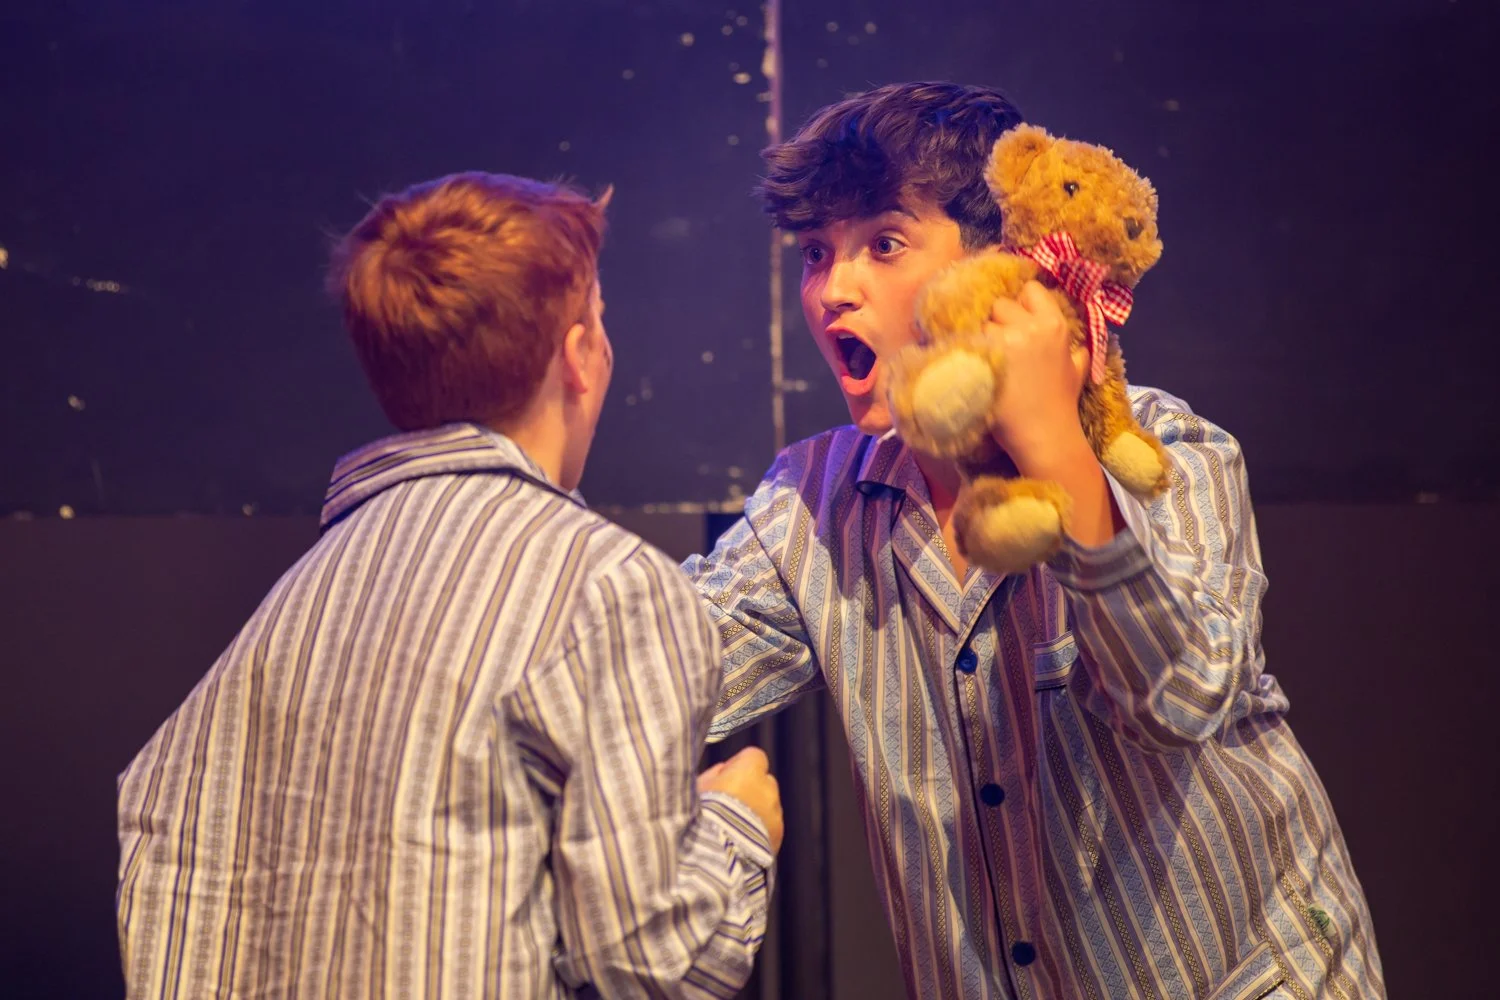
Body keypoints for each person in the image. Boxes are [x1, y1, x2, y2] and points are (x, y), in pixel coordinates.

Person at [684, 82, 1384, 999]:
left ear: (1001, 267)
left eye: (884, 245)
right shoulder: (816, 502)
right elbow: (654, 667)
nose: (833, 291)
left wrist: (1055, 449)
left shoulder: (1164, 450)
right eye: (817, 253)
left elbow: (1178, 701)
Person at [115, 172, 782, 1000]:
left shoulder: (280, 623)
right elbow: (655, 966)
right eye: (601, 320)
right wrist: (735, 827)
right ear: (577, 356)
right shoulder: (612, 587)